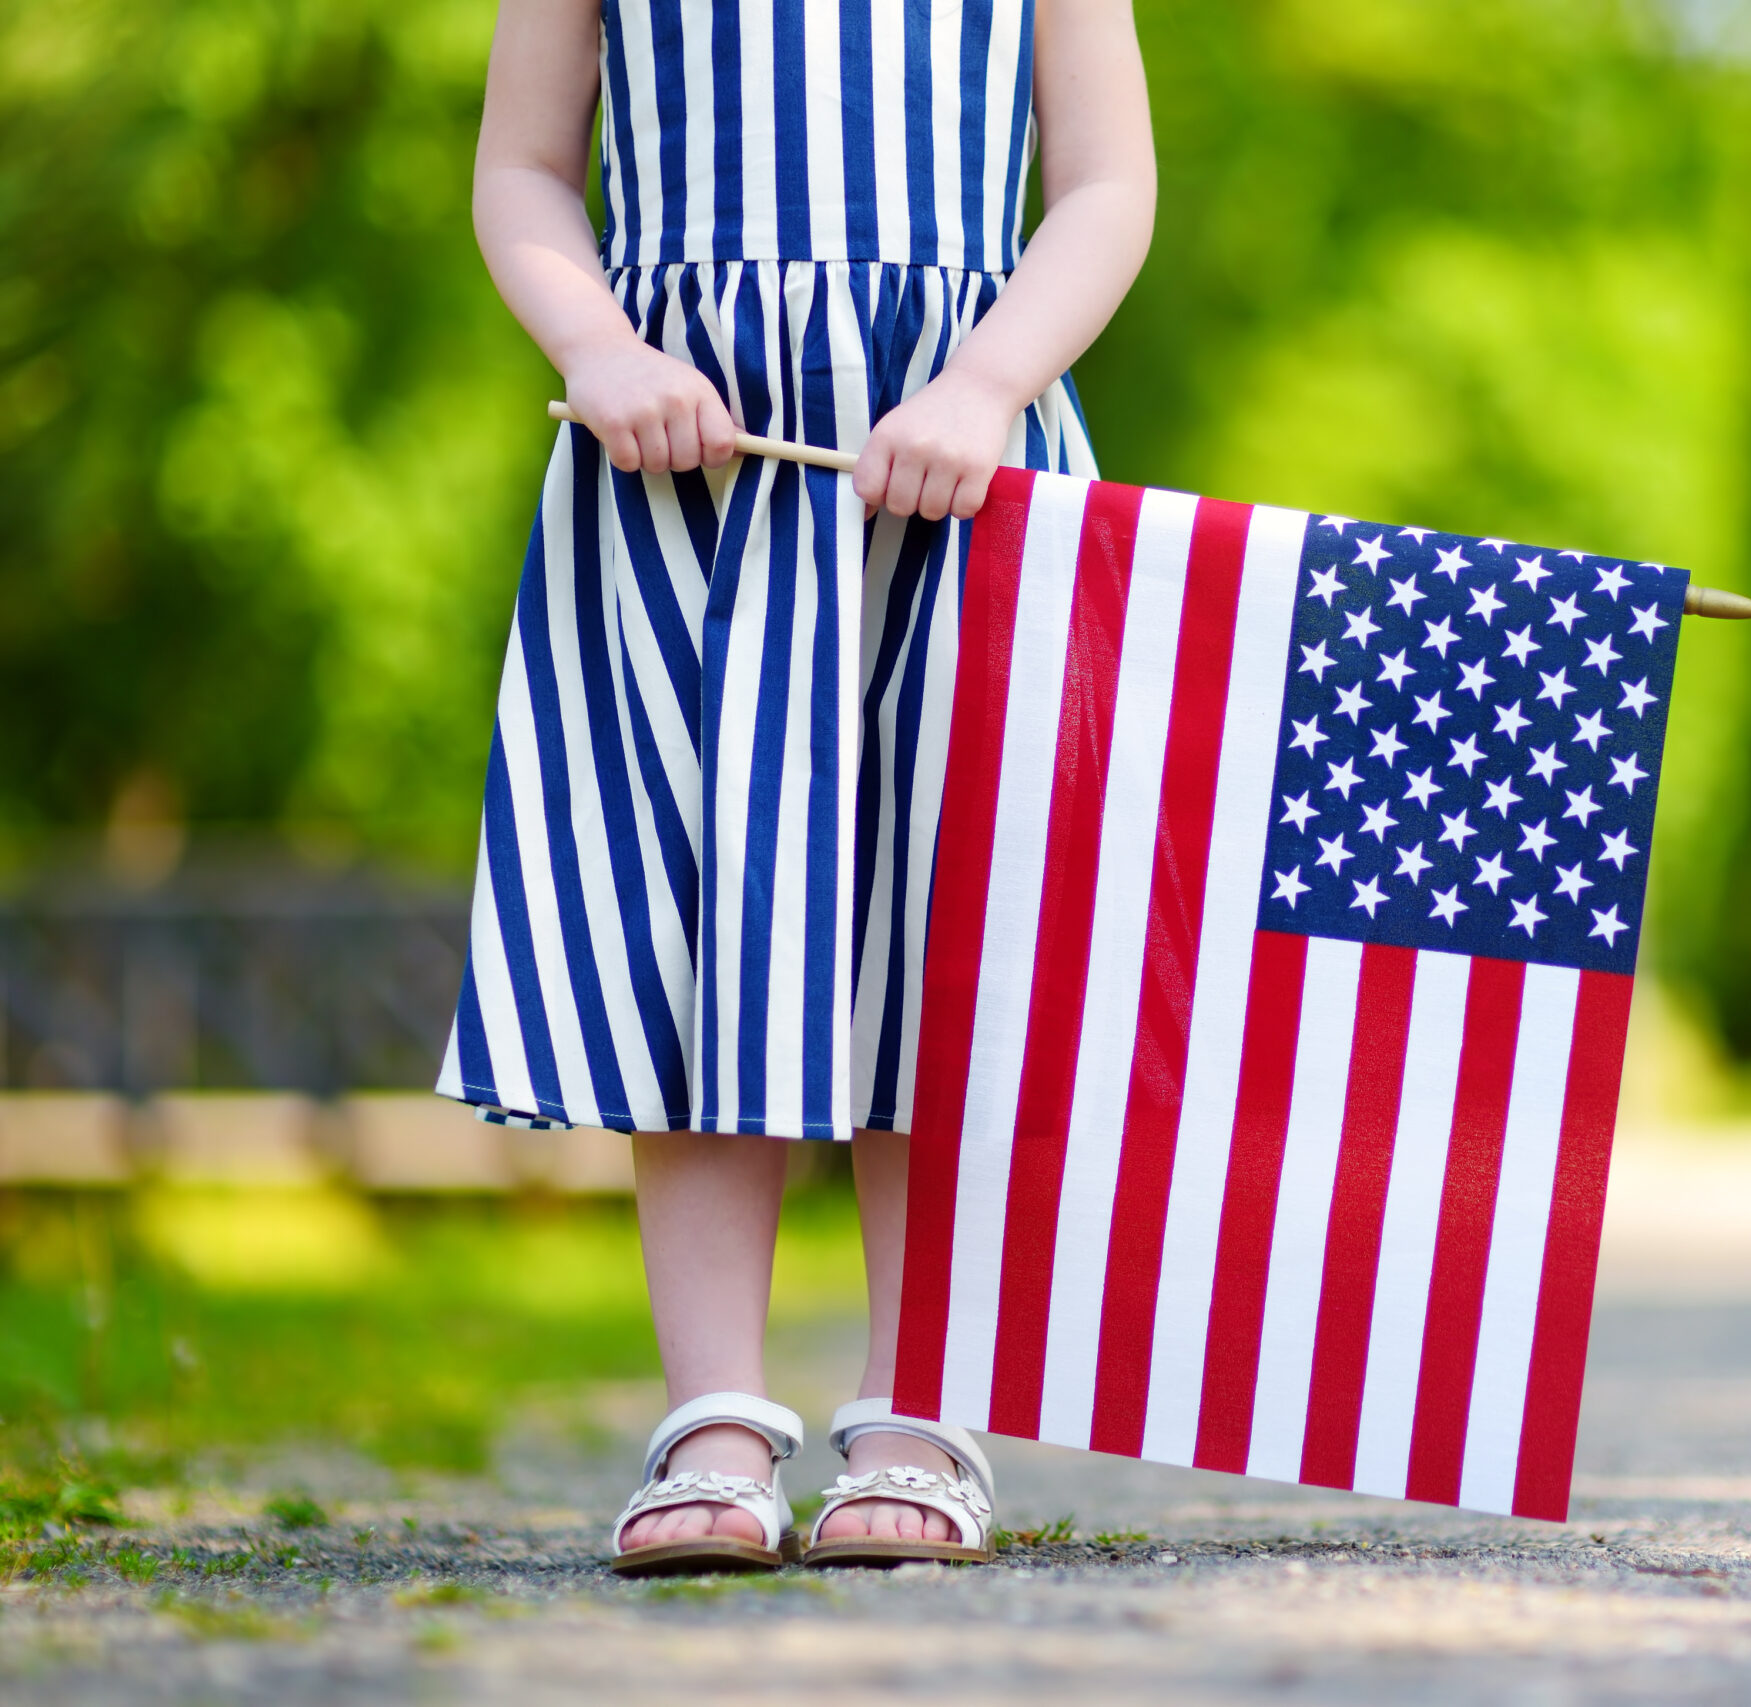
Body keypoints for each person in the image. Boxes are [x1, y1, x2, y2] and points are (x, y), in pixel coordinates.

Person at [448, 0, 1155, 1573]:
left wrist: (990, 380)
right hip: (681, 458)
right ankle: (713, 1418)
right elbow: (524, 166)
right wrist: (599, 346)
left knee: (942, 911)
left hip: (961, 452)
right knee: (708, 903)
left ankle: (918, 1412)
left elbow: (1107, 183)